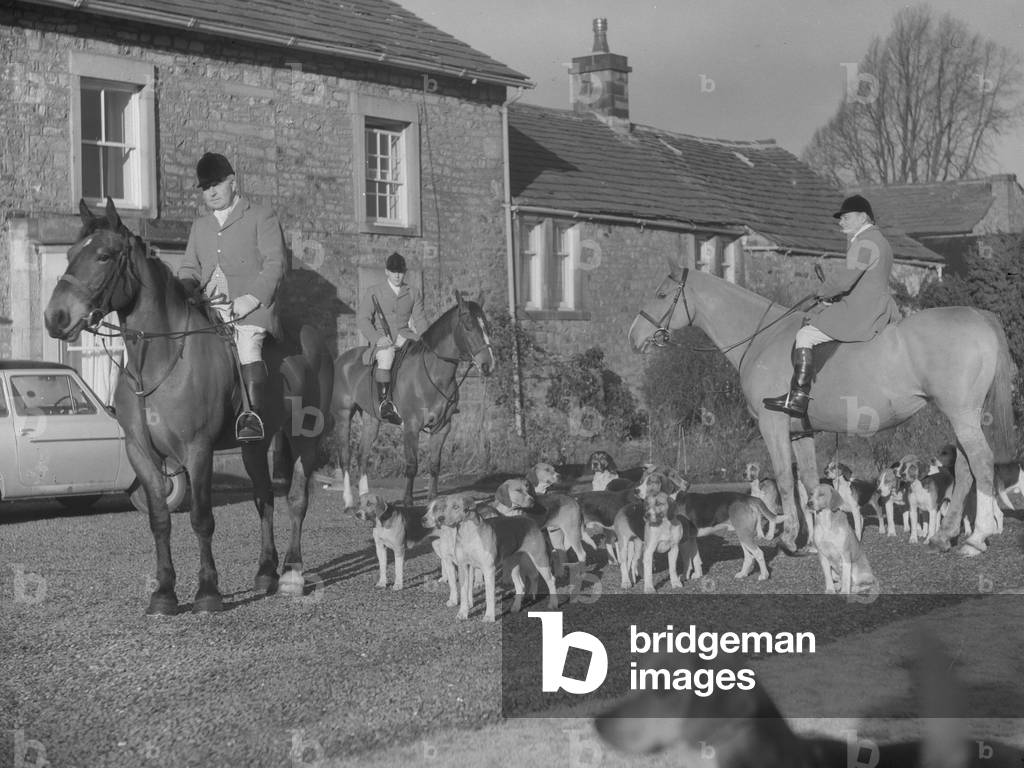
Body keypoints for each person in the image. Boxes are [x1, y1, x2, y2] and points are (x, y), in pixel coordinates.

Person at [177, 152, 286, 442]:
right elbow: (189, 266)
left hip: (251, 310)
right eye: (205, 187)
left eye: (216, 184)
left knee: (247, 344)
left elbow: (275, 264)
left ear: (233, 183)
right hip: (210, 309)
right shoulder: (200, 226)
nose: (211, 192)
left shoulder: (261, 216)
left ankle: (251, 416)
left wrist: (251, 300)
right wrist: (186, 286)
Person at [762, 194, 900, 419]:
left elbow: (845, 280)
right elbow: (862, 280)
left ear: (863, 217)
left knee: (805, 334)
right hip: (877, 306)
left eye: (846, 217)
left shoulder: (866, 242)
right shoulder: (880, 241)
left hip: (861, 312)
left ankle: (798, 397)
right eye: (841, 218)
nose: (840, 222)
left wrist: (822, 292)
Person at [356, 252, 428, 425]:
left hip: (406, 337)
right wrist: (377, 338)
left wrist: (426, 339)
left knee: (422, 358)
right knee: (387, 356)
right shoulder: (374, 291)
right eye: (393, 271)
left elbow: (420, 320)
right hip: (383, 340)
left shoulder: (413, 292)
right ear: (386, 272)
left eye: (400, 272)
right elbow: (362, 318)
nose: (397, 275)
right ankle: (384, 403)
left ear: (405, 273)